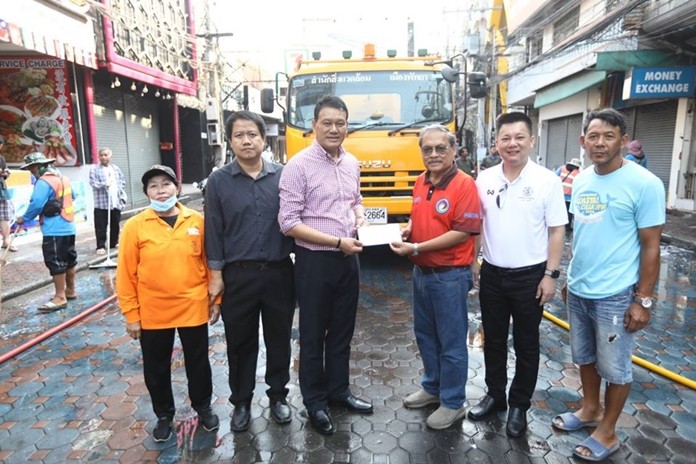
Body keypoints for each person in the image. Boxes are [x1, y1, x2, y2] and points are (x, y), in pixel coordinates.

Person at [552, 109, 665, 461]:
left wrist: (643, 300)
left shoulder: (645, 184)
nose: (599, 143)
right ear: (583, 141)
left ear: (623, 140)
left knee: (615, 367)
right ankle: (590, 409)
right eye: (593, 136)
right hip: (580, 288)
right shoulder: (582, 180)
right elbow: (583, 234)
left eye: (609, 136)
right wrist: (571, 276)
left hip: (616, 295)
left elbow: (651, 246)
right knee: (584, 357)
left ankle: (608, 432)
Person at [278, 95, 372, 435]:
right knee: (313, 334)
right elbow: (288, 223)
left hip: (349, 259)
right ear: (314, 125)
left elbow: (355, 200)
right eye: (327, 123)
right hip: (314, 262)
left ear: (347, 126)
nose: (334, 129)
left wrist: (360, 216)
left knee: (343, 331)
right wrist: (335, 241)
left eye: (340, 123)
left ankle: (339, 391)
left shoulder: (351, 162)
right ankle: (315, 402)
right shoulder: (298, 166)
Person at [469, 112, 567, 437]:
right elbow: (477, 225)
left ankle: (519, 405)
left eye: (519, 137)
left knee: (526, 343)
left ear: (531, 141)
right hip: (492, 274)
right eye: (506, 138)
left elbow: (557, 230)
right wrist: (474, 261)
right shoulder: (484, 179)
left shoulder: (547, 181)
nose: (512, 144)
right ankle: (495, 395)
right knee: (493, 339)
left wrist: (551, 274)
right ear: (497, 142)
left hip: (531, 277)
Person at [205, 111, 296, 433]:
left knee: (279, 338)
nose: (246, 141)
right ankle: (241, 401)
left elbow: (297, 219)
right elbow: (213, 230)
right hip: (238, 276)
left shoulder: (284, 176)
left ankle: (278, 395)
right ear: (230, 141)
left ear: (263, 138)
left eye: (252, 134)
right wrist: (215, 275)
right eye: (239, 135)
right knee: (240, 342)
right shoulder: (218, 181)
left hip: (279, 273)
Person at [116, 164, 221, 443]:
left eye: (166, 184)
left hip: (193, 306)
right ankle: (164, 415)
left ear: (176, 187)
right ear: (146, 192)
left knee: (198, 362)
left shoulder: (197, 221)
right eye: (153, 186)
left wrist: (216, 300)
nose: (160, 190)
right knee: (156, 366)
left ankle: (203, 407)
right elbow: (126, 274)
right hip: (153, 311)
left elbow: (210, 264)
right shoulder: (135, 227)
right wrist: (131, 315)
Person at [390, 125, 481, 429]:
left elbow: (462, 232)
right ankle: (433, 387)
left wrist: (416, 247)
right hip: (422, 273)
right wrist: (409, 230)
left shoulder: (465, 184)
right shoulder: (421, 181)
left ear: (454, 151)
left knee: (451, 342)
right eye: (427, 149)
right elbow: (420, 218)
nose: (434, 154)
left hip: (449, 276)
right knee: (426, 335)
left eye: (441, 148)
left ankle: (453, 402)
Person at [16, 152, 78, 312]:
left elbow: (36, 203)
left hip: (54, 229)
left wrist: (24, 218)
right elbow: (74, 196)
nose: (31, 172)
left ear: (36, 167)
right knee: (69, 260)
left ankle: (60, 297)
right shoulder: (63, 178)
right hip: (69, 226)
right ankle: (70, 291)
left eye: (31, 168)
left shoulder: (44, 182)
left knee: (55, 262)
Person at [89, 147, 127, 255]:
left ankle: (113, 243)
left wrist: (121, 197)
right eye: (101, 155)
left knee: (115, 224)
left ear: (110, 156)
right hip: (102, 204)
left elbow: (122, 182)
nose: (103, 157)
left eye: (106, 155)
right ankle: (100, 246)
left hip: (115, 202)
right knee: (101, 226)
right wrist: (105, 184)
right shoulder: (94, 169)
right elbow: (93, 183)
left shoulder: (116, 169)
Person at [0, 135, 17, 252]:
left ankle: (6, 241)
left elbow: (5, 172)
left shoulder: (1, 158)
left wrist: (5, 173)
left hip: (1, 190)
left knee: (5, 216)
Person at [555, 157, 582, 230]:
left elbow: (555, 177)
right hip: (570, 196)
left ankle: (559, 224)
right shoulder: (578, 173)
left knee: (560, 210)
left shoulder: (562, 168)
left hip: (560, 194)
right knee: (569, 211)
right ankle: (567, 226)